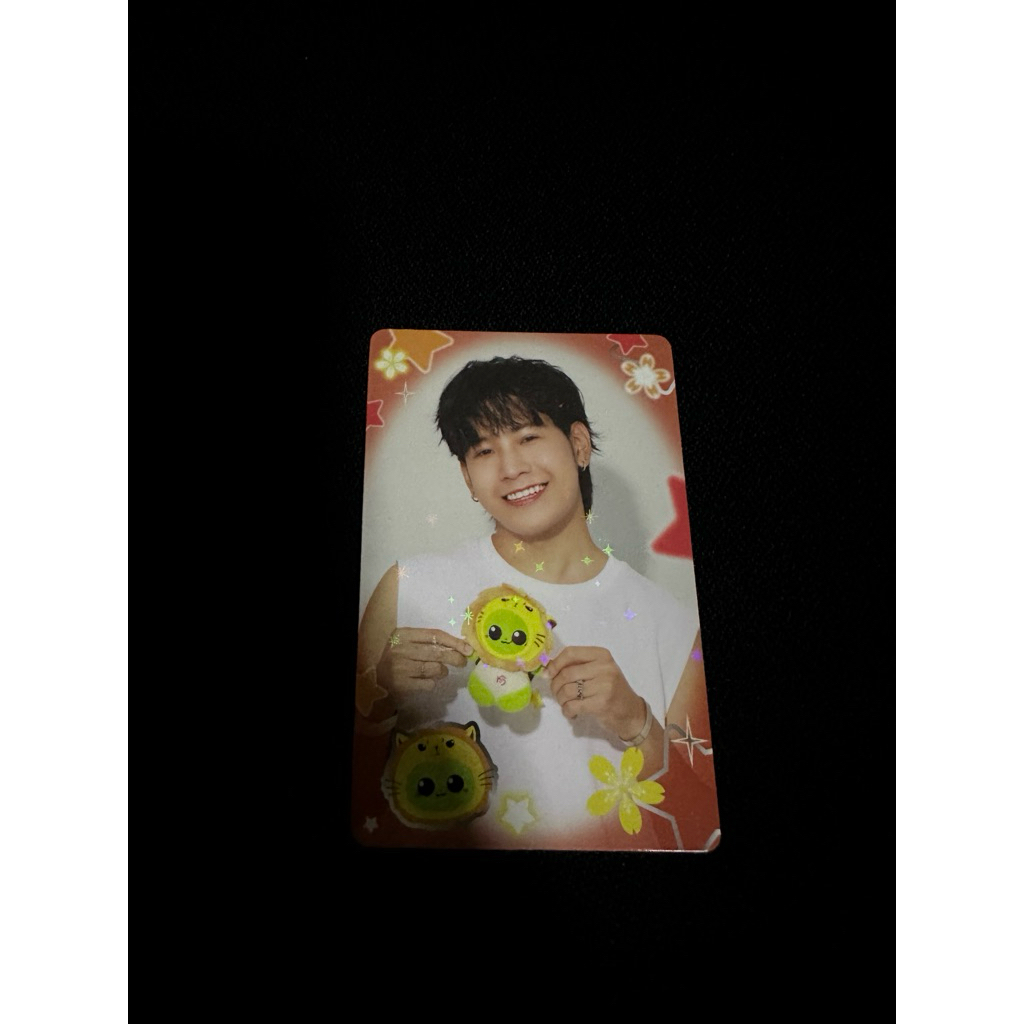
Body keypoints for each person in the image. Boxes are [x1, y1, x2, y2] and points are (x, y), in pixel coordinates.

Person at [352, 355, 719, 850]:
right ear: (467, 478)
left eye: (527, 438)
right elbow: (362, 809)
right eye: (484, 451)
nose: (511, 468)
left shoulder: (672, 626)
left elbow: (700, 827)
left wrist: (637, 721)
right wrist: (375, 703)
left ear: (579, 444)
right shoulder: (409, 588)